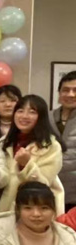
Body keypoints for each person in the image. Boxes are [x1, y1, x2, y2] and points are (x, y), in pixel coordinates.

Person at [0, 95, 65, 214]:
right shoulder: (5, 142)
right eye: (20, 111)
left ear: (41, 117)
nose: (24, 116)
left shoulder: (51, 146)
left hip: (37, 211)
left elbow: (43, 184)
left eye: (32, 112)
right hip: (6, 207)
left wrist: (26, 165)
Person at [50, 71, 76, 211]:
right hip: (50, 189)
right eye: (66, 90)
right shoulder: (47, 117)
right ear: (59, 93)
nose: (70, 94)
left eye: (75, 90)